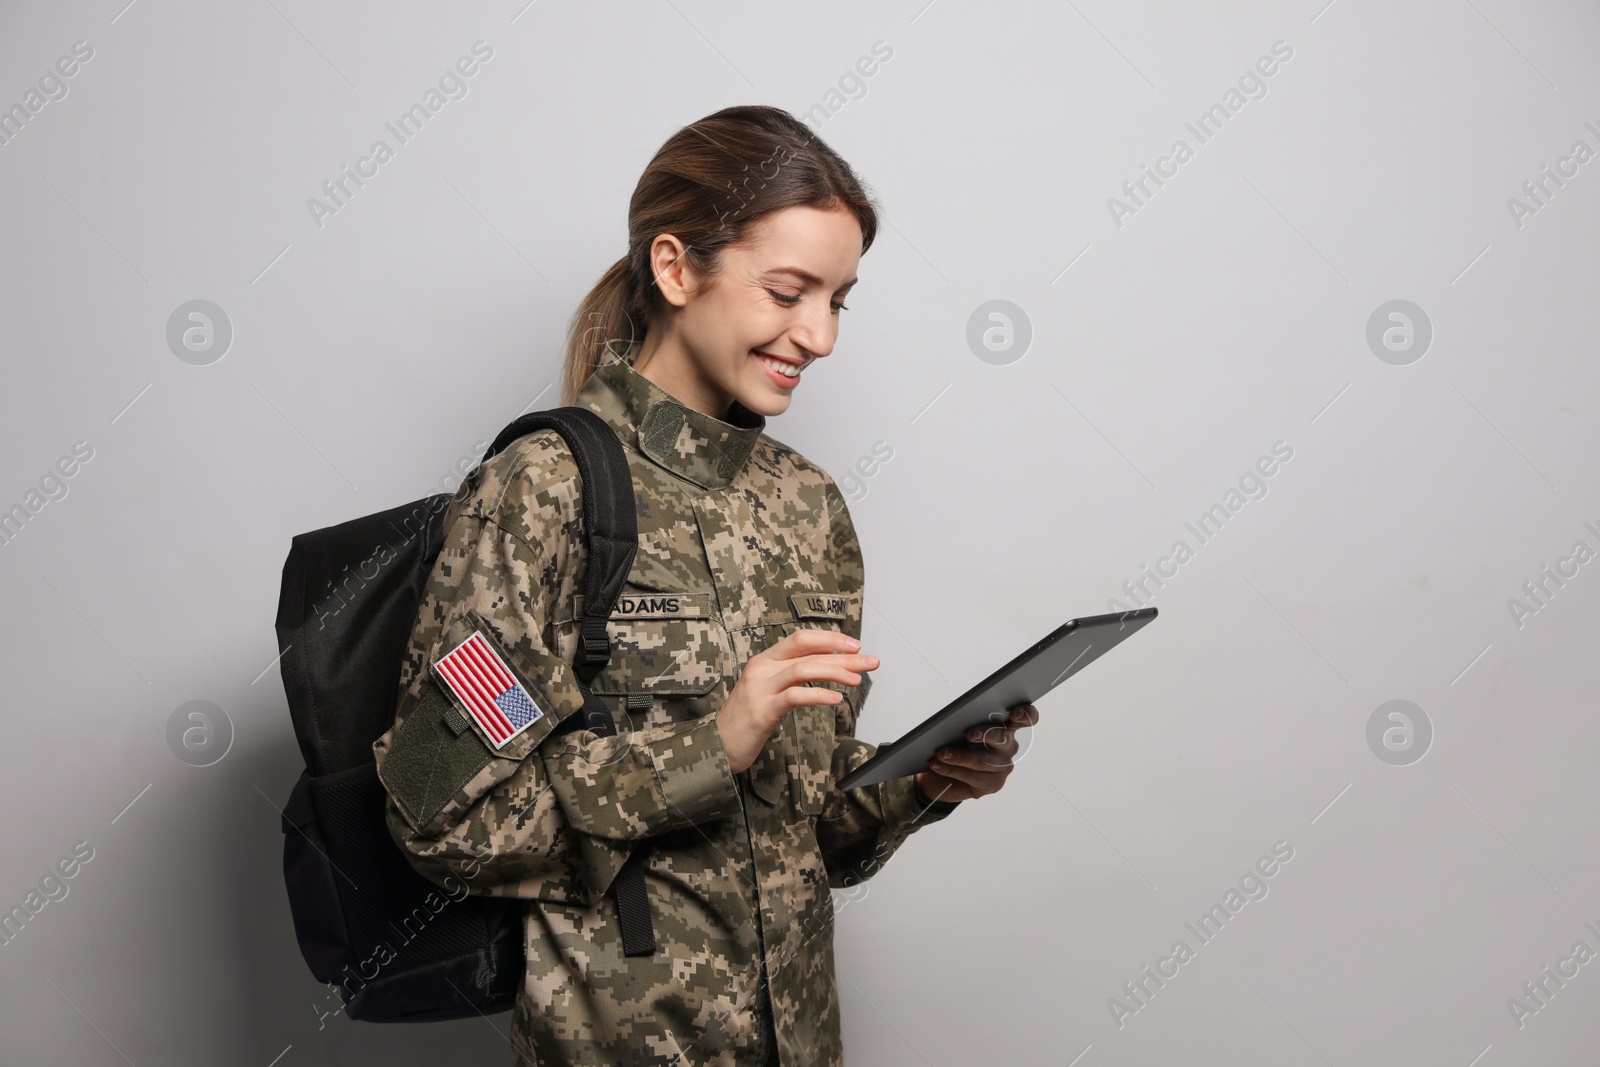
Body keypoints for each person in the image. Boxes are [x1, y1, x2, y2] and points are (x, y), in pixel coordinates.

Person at [372, 104, 1037, 1066]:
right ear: (677, 268)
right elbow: (439, 820)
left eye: (839, 299)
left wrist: (923, 783)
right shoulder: (541, 492)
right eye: (788, 291)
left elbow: (813, 836)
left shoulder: (808, 506)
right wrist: (710, 746)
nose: (820, 335)